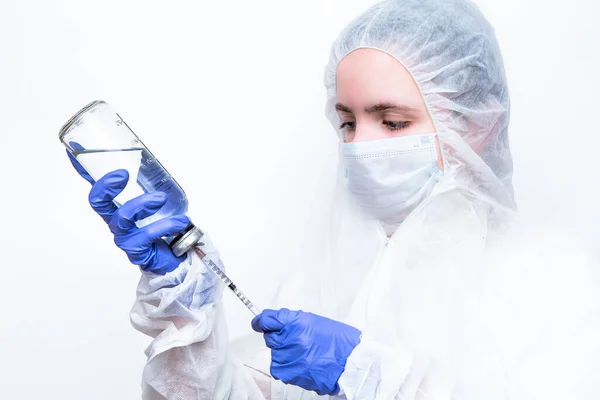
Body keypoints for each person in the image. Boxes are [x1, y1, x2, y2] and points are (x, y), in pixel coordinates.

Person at [67, 0, 600, 398]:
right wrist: (186, 317)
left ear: (476, 125)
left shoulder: (549, 277)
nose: (360, 145)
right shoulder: (327, 271)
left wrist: (368, 372)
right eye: (347, 121)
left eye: (393, 121)